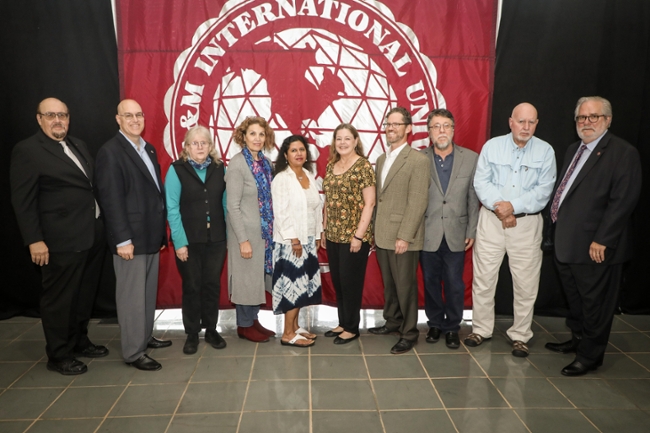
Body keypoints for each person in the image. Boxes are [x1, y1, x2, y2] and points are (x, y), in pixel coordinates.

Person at [10, 97, 108, 375]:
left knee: (83, 294)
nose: (58, 120)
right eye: (51, 115)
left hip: (91, 235)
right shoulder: (28, 150)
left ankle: (79, 340)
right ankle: (58, 354)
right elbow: (23, 201)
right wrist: (34, 239)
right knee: (59, 299)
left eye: (63, 115)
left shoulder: (78, 144)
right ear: (39, 118)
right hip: (59, 241)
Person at [545, 96, 642, 376]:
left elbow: (623, 201)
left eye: (593, 117)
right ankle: (578, 340)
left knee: (595, 305)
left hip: (595, 246)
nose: (586, 122)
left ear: (607, 120)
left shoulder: (623, 152)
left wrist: (603, 239)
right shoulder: (575, 148)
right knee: (575, 300)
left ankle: (589, 356)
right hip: (567, 243)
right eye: (581, 118)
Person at [468, 102, 556, 358]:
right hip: (491, 222)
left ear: (537, 124)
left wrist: (513, 207)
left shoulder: (546, 151)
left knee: (526, 283)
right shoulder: (492, 146)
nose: (525, 127)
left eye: (531, 122)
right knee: (484, 279)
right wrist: (502, 209)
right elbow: (481, 182)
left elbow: (544, 190)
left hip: (526, 224)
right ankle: (481, 330)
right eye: (521, 121)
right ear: (511, 122)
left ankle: (520, 335)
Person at [95, 99, 170, 371]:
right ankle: (133, 352)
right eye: (129, 115)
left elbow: (154, 195)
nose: (135, 119)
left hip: (150, 236)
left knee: (147, 294)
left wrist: (161, 235)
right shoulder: (111, 152)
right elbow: (110, 200)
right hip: (130, 241)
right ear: (118, 119)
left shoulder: (146, 148)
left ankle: (144, 336)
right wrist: (122, 240)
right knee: (131, 298)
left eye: (139, 114)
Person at [368, 107, 430, 354]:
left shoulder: (418, 160)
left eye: (396, 124)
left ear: (408, 129)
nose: (390, 128)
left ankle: (409, 332)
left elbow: (417, 202)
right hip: (382, 233)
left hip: (403, 236)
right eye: (388, 124)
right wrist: (374, 230)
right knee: (390, 284)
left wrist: (405, 236)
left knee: (405, 286)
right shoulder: (383, 159)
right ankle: (392, 322)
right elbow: (380, 198)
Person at [420, 108, 479, 349]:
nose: (441, 131)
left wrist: (472, 231)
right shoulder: (419, 159)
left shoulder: (471, 158)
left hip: (457, 232)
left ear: (453, 130)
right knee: (431, 281)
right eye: (436, 126)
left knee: (455, 283)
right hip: (427, 232)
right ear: (429, 132)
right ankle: (434, 323)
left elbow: (473, 198)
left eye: (446, 126)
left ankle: (453, 327)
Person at [165, 125, 227, 355]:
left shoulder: (220, 169)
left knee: (212, 285)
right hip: (188, 242)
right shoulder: (176, 170)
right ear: (186, 147)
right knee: (192, 286)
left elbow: (225, 204)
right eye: (195, 143)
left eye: (204, 143)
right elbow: (171, 208)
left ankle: (211, 329)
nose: (200, 147)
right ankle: (192, 333)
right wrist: (179, 243)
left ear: (210, 146)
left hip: (217, 240)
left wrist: (228, 236)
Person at [321, 124, 376, 344]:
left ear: (355, 141)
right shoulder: (332, 165)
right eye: (338, 139)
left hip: (353, 236)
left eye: (347, 138)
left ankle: (352, 328)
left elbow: (370, 203)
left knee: (350, 282)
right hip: (333, 235)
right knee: (339, 282)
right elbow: (328, 200)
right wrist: (324, 229)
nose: (342, 143)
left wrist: (359, 236)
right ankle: (343, 322)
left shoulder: (363, 166)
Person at [226, 116, 276, 343]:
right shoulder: (237, 164)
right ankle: (244, 325)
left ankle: (253, 320)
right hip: (245, 234)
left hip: (263, 234)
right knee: (246, 279)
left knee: (255, 278)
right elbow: (232, 206)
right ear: (243, 137)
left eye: (261, 134)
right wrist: (242, 239)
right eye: (252, 134)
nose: (257, 138)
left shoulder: (265, 163)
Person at [271, 135, 323, 347]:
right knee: (292, 286)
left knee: (303, 285)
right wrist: (294, 240)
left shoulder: (309, 175)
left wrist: (318, 235)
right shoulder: (282, 178)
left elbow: (316, 207)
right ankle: (287, 333)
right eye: (293, 150)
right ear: (285, 155)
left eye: (302, 149)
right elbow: (281, 213)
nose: (299, 153)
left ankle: (295, 327)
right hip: (290, 243)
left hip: (308, 239)